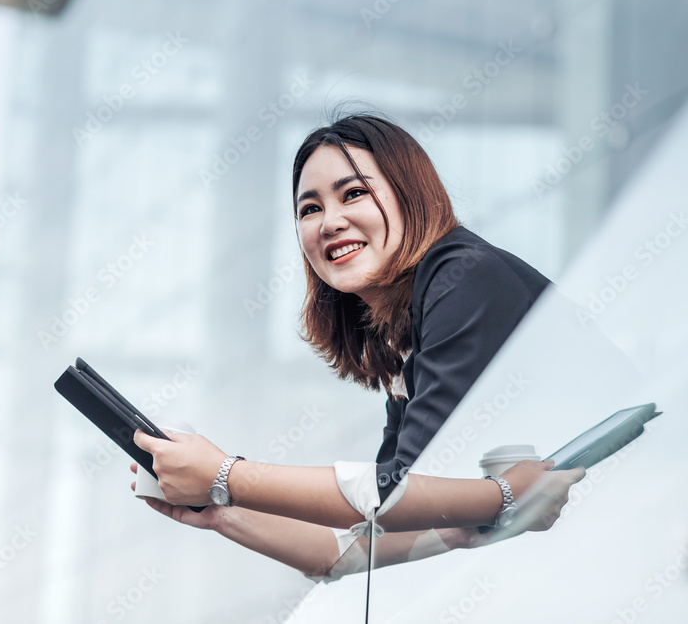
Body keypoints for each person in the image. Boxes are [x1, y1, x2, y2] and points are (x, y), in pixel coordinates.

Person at [129, 113, 586, 581]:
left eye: (353, 193)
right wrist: (219, 509)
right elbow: (361, 537)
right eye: (310, 209)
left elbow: (392, 494)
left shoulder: (463, 276)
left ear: (412, 195)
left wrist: (225, 474)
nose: (330, 222)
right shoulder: (409, 331)